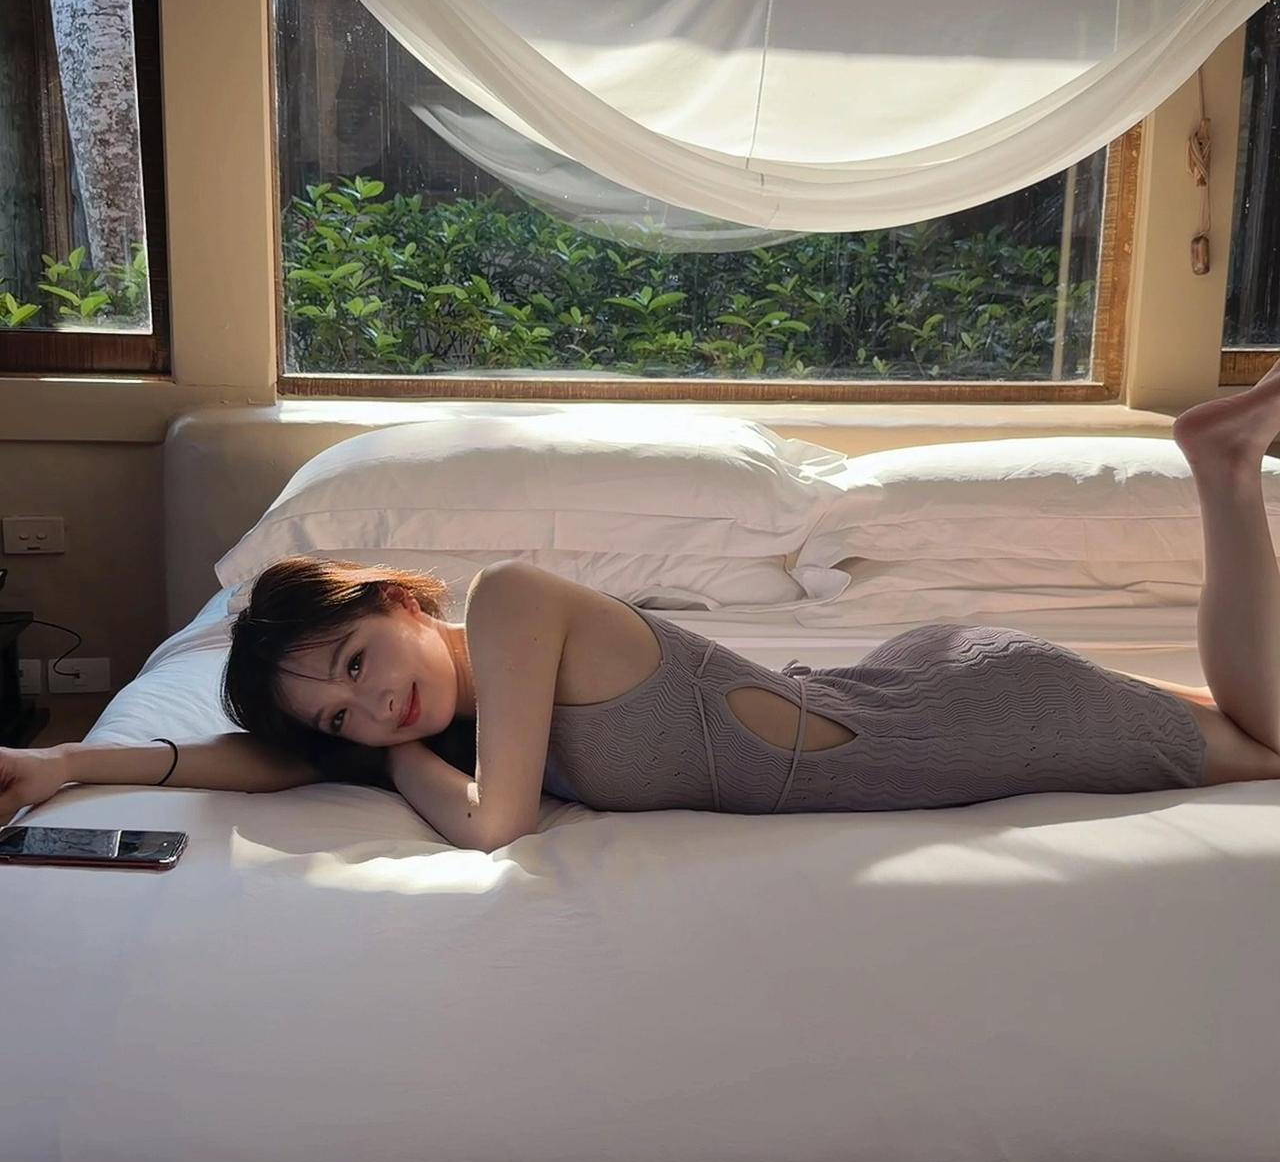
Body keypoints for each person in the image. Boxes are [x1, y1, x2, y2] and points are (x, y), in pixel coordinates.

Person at [4, 371, 1280, 849]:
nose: (371, 702)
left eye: (354, 659)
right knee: (1251, 725)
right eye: (339, 711)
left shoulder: (513, 604)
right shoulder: (449, 715)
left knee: (1267, 743)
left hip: (969, 716)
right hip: (902, 695)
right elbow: (265, 758)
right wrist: (69, 762)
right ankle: (1223, 470)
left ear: (402, 597)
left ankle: (1221, 473)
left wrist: (385, 758)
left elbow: (495, 826)